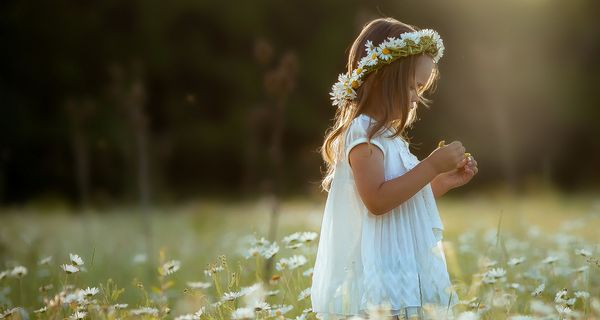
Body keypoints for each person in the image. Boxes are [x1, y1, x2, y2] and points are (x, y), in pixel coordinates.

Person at [310, 17, 479, 320]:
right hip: (375, 271)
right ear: (383, 79)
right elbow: (377, 200)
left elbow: (408, 197)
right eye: (413, 85)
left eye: (421, 87)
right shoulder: (363, 134)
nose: (417, 97)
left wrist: (444, 181)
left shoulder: (389, 138)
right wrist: (431, 165)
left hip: (398, 263)